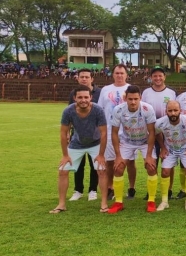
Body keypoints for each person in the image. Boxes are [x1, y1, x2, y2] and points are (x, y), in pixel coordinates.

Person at [51, 85, 109, 214]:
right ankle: (61, 204)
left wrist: (101, 155)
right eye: (80, 97)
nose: (83, 100)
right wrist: (65, 155)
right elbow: (63, 133)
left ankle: (104, 203)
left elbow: (104, 133)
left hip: (96, 143)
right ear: (74, 98)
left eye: (86, 97)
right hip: (77, 144)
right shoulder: (68, 111)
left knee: (102, 170)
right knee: (63, 170)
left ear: (91, 97)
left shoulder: (98, 110)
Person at [107, 85, 158, 214]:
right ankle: (118, 202)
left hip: (145, 141)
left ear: (140, 98)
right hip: (127, 141)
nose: (133, 102)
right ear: (126, 98)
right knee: (118, 167)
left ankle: (151, 201)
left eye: (136, 98)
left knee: (151, 167)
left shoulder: (147, 109)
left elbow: (152, 132)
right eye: (130, 99)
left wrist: (149, 155)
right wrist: (118, 155)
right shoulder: (118, 110)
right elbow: (114, 133)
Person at [96, 64, 133, 200]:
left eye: (122, 73)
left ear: (126, 75)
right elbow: (100, 109)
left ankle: (131, 188)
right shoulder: (106, 89)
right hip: (110, 130)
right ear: (112, 74)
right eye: (117, 73)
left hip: (128, 131)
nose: (119, 75)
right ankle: (111, 187)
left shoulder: (130, 89)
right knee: (110, 161)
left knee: (129, 162)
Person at [154, 100, 186, 211]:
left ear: (180, 111)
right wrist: (163, 147)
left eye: (175, 110)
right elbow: (156, 133)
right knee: (165, 172)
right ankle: (164, 201)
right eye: (170, 111)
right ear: (166, 111)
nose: (173, 113)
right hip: (170, 149)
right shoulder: (160, 122)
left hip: (185, 149)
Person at [141, 66, 177, 200]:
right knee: (151, 161)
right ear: (151, 78)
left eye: (160, 76)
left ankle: (169, 190)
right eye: (154, 76)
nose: (157, 78)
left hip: (167, 131)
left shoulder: (172, 93)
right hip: (150, 131)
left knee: (168, 161)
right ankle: (152, 190)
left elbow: (175, 110)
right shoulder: (146, 92)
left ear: (164, 77)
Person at [67, 68, 102, 202]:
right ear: (77, 78)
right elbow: (70, 113)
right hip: (78, 135)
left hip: (95, 135)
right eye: (81, 76)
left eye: (87, 77)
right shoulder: (73, 93)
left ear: (92, 79)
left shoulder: (99, 92)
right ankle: (78, 190)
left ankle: (93, 190)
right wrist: (68, 133)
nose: (84, 79)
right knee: (78, 164)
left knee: (95, 164)